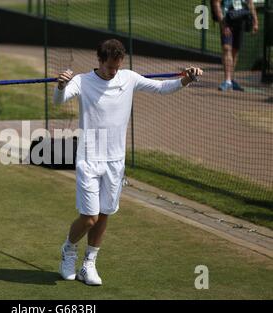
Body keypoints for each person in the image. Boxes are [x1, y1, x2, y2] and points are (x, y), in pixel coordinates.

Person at [53, 39, 203, 286]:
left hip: (115, 161)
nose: (114, 72)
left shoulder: (129, 77)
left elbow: (163, 88)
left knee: (104, 213)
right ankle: (69, 249)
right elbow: (59, 100)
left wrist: (186, 78)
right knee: (89, 217)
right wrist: (60, 86)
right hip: (89, 159)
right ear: (100, 61)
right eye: (110, 67)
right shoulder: (81, 81)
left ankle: (88, 264)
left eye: (117, 66)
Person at [212, 0, 258, 91]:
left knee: (235, 50)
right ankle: (227, 80)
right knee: (226, 48)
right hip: (227, 20)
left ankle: (232, 79)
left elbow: (250, 2)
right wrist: (223, 24)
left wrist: (255, 21)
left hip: (240, 20)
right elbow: (216, 3)